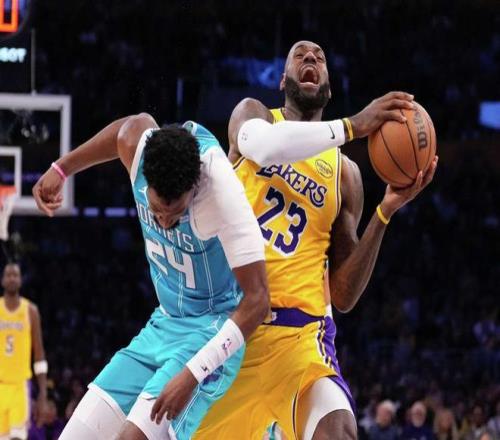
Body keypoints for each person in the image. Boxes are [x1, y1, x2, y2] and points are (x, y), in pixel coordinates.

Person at [195, 40, 437, 440]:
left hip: (299, 339)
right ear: (282, 81)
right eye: (300, 55)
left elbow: (343, 294)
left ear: (328, 86)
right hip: (229, 331)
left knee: (337, 431)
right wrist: (354, 125)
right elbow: (265, 147)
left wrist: (385, 212)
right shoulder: (253, 115)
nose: (311, 58)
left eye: (320, 57)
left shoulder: (345, 174)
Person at [32, 115, 269, 440]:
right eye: (157, 211)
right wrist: (62, 169)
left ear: (195, 187)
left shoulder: (222, 191)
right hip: (164, 324)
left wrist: (193, 373)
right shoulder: (138, 149)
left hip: (209, 329)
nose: (165, 221)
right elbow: (125, 130)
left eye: (176, 213)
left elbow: (258, 302)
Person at [0, 263, 48, 440]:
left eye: (16, 275)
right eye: (8, 275)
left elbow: (39, 355)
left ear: (20, 280)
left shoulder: (30, 311)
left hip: (20, 387)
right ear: (2, 280)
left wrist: (43, 393)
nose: (12, 278)